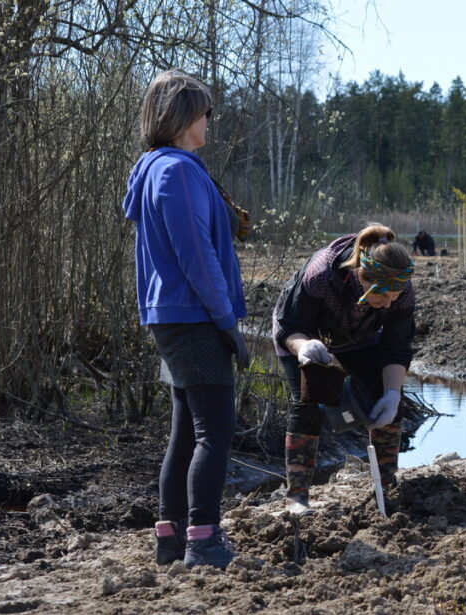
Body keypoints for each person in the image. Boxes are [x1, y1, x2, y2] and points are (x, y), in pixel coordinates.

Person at [123, 70, 249, 569]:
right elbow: (196, 254)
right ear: (180, 117)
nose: (209, 122)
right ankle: (203, 540)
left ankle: (171, 535)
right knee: (215, 431)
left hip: (172, 315)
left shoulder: (155, 167)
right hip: (194, 317)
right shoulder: (175, 172)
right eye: (203, 113)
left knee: (186, 431)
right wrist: (226, 324)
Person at [272, 224, 416, 515]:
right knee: (307, 404)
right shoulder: (322, 275)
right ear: (363, 278)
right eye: (383, 296)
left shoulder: (401, 289)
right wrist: (304, 348)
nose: (389, 303)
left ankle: (387, 487)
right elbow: (289, 326)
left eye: (394, 297)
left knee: (387, 400)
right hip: (304, 337)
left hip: (359, 337)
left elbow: (397, 347)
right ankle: (297, 498)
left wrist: (391, 394)